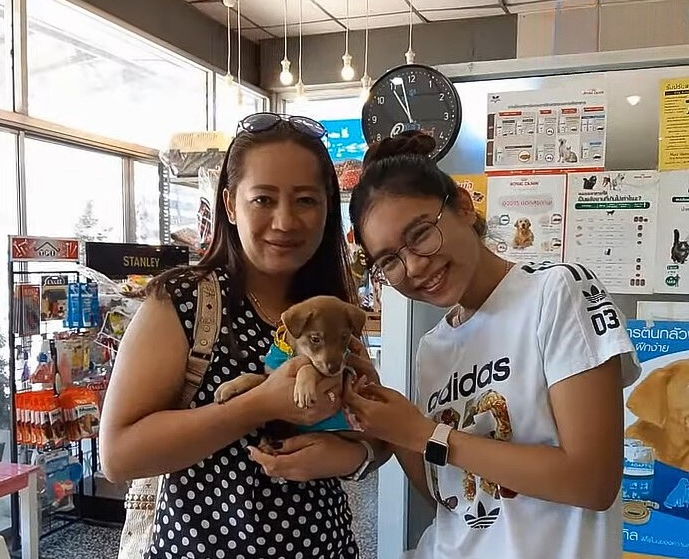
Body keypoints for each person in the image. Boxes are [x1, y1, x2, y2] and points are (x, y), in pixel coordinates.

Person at [343, 131, 640, 559]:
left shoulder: (556, 292)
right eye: (389, 260)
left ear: (463, 207)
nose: (413, 267)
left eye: (421, 234)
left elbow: (592, 482)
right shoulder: (434, 346)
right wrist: (393, 424)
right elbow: (453, 498)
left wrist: (426, 432)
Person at [100, 113, 381, 559]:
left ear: (328, 206)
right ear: (231, 205)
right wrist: (260, 404)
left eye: (306, 200)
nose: (285, 221)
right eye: (263, 199)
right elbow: (118, 456)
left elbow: (374, 432)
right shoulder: (184, 302)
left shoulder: (329, 311)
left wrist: (350, 458)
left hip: (323, 546)